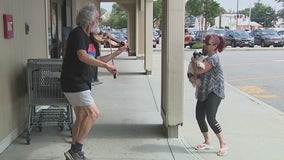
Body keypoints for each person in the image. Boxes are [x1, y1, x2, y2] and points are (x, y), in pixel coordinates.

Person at [60, 3, 127, 160]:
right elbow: (82, 56)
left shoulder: (89, 38)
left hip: (80, 82)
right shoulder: (77, 34)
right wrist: (107, 66)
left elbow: (95, 59)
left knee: (82, 115)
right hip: (74, 81)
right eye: (98, 18)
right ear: (89, 20)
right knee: (94, 113)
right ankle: (76, 150)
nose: (99, 22)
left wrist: (117, 52)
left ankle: (73, 152)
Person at [188, 34, 228, 156]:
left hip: (215, 91)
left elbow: (199, 70)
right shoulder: (206, 57)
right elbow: (196, 73)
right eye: (204, 42)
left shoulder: (214, 58)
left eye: (208, 43)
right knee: (199, 116)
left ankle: (223, 144)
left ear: (215, 46)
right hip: (204, 89)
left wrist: (193, 61)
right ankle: (207, 141)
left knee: (211, 117)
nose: (204, 44)